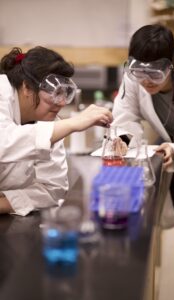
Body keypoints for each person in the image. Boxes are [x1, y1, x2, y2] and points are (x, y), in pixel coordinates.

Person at [112, 24, 174, 299]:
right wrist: (125, 146)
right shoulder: (134, 80)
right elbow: (125, 119)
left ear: (173, 64)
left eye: (155, 73)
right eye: (139, 71)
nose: (146, 80)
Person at [0, 46, 113, 216]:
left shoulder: (49, 123)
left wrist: (3, 204)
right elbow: (4, 143)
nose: (61, 103)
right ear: (27, 87)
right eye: (55, 93)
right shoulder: (2, 92)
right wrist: (73, 123)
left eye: (65, 94)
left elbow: (53, 189)